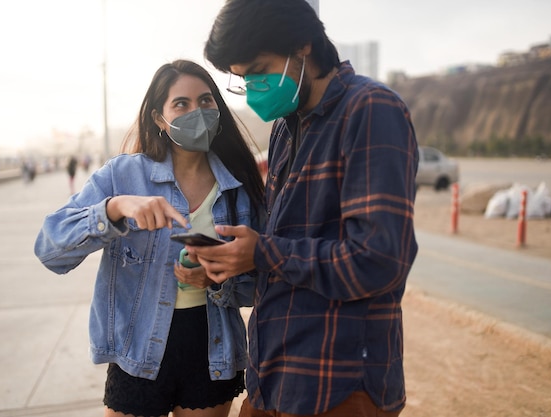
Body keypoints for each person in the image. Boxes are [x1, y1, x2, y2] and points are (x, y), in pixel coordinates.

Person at [186, 1, 419, 416]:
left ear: (302, 46)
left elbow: (378, 260)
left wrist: (262, 252)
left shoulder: (370, 109)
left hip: (338, 385)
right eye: (242, 79)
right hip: (273, 379)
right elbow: (285, 251)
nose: (254, 86)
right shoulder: (285, 127)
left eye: (259, 70)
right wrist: (227, 263)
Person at [34, 59, 265, 417]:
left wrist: (217, 281)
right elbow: (50, 248)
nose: (197, 112)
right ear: (160, 118)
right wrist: (114, 208)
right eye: (181, 104)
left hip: (212, 346)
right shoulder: (122, 175)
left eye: (206, 101)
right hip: (138, 347)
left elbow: (258, 285)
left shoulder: (238, 187)